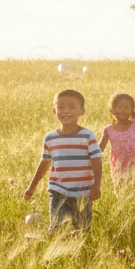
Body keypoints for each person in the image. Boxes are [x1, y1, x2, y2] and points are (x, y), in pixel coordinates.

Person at [22, 89, 103, 232]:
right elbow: (45, 162)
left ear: (82, 111)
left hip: (83, 191)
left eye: (72, 107)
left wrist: (97, 185)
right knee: (57, 228)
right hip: (58, 190)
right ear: (54, 111)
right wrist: (32, 187)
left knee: (82, 229)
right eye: (60, 107)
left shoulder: (87, 136)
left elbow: (97, 160)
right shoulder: (50, 138)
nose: (65, 111)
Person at [99, 92, 135, 183]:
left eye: (126, 108)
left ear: (132, 109)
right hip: (119, 167)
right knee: (122, 192)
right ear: (113, 109)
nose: (123, 111)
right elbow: (99, 150)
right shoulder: (108, 130)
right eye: (119, 107)